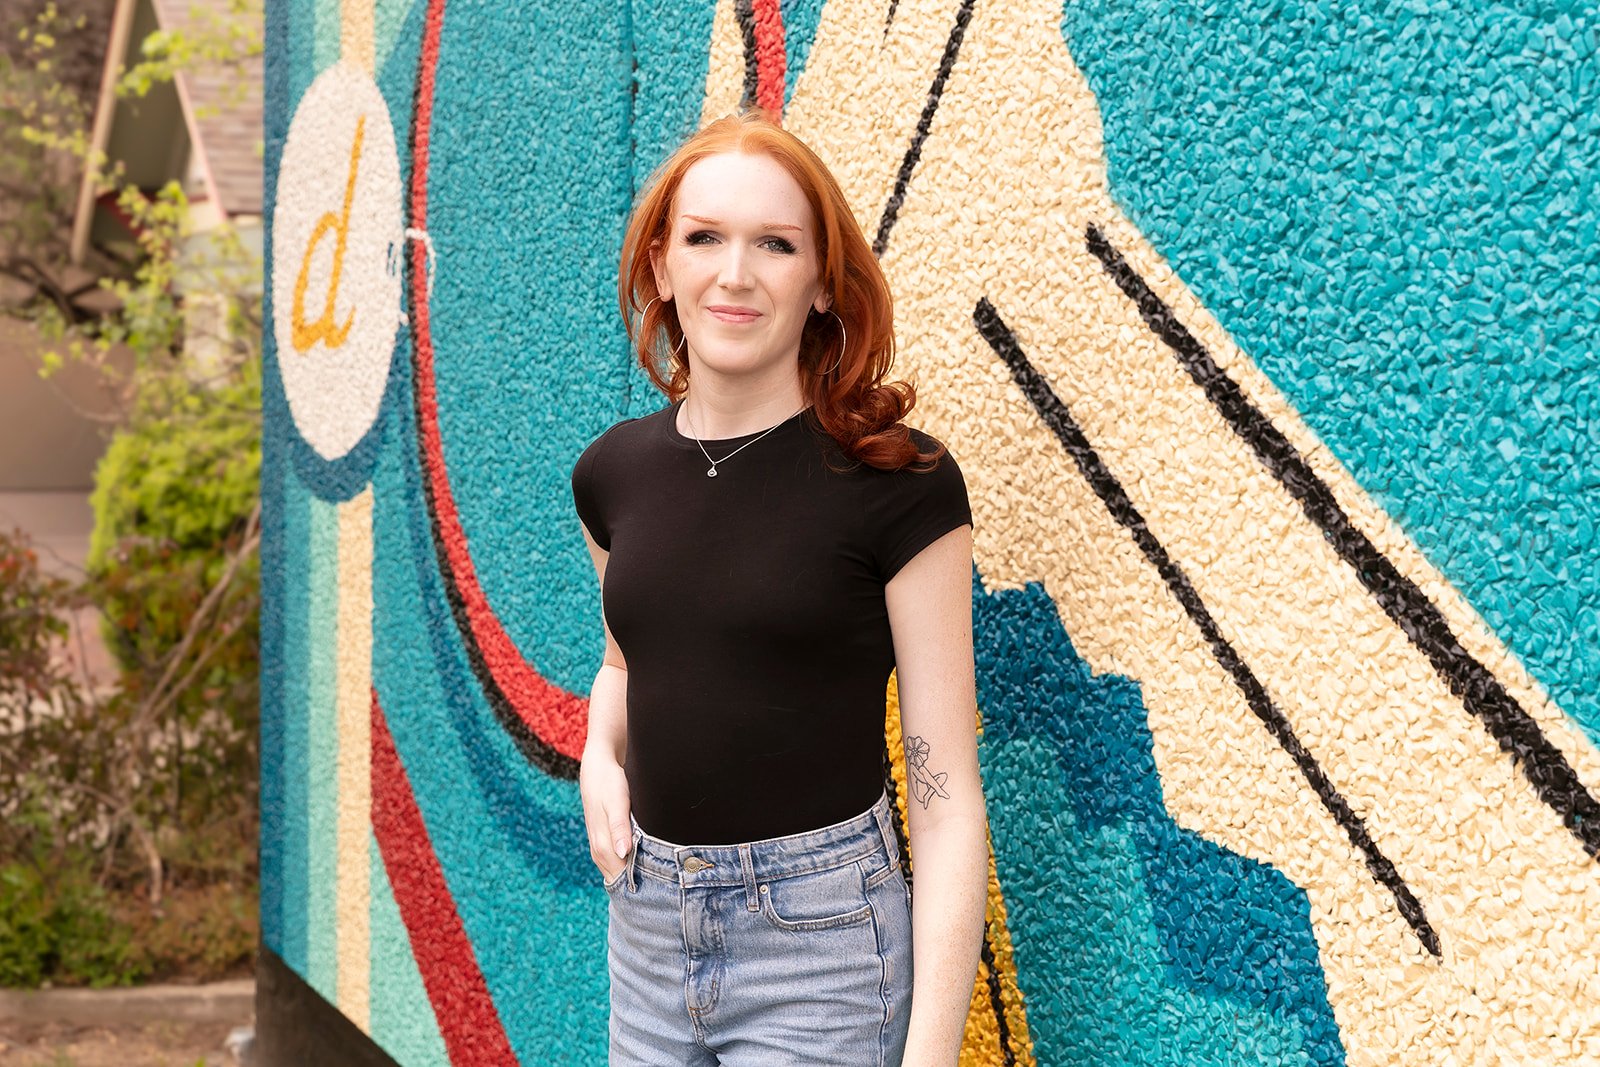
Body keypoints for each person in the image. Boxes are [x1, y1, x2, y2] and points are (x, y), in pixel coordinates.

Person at [570, 108, 987, 1066]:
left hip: (824, 947)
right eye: (705, 237)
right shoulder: (612, 475)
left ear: (823, 285)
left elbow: (947, 791)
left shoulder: (900, 487)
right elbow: (628, 659)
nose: (736, 272)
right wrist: (599, 750)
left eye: (776, 243)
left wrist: (929, 1056)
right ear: (661, 268)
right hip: (644, 929)